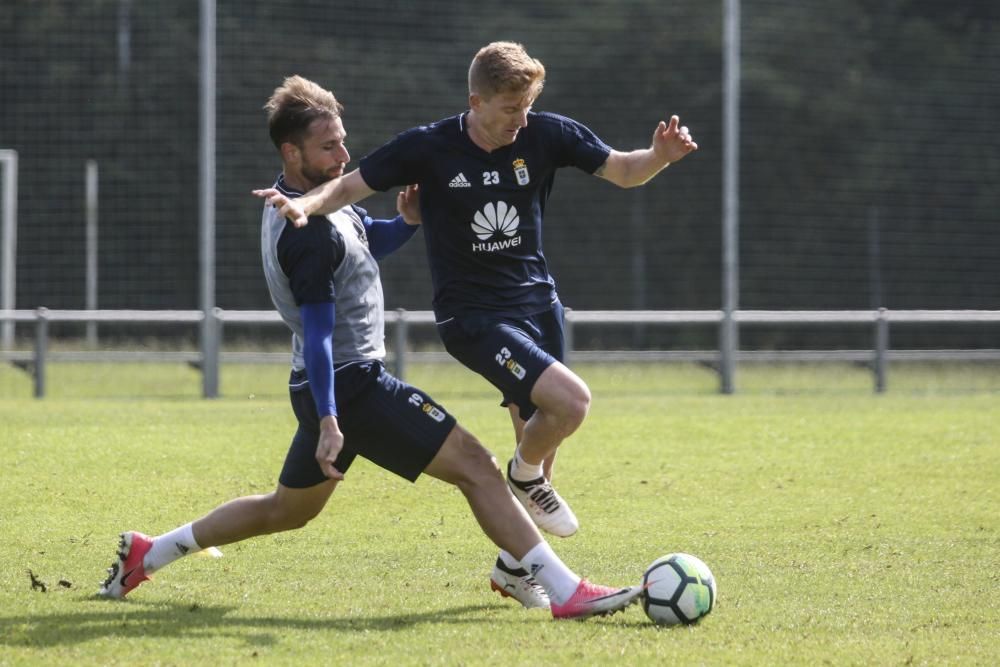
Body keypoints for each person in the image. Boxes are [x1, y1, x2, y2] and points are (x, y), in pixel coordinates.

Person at [98, 75, 643, 620]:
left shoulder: (307, 203)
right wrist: (332, 418)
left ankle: (150, 553)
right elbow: (317, 333)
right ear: (292, 152)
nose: (344, 154)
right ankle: (566, 590)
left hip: (321, 388)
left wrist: (405, 223)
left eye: (342, 140)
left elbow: (364, 243)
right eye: (328, 146)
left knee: (286, 510)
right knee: (476, 466)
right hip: (349, 386)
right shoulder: (306, 232)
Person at [253, 42, 697, 608]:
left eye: (529, 105)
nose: (522, 119)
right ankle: (528, 482)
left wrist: (659, 156)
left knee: (543, 427)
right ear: (476, 100)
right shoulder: (429, 147)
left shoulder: (548, 133)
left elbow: (625, 171)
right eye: (510, 107)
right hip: (475, 315)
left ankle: (517, 564)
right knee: (571, 405)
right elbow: (349, 186)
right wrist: (306, 207)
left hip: (538, 304)